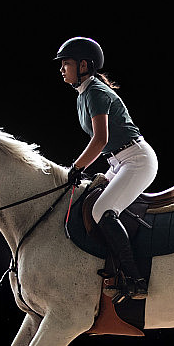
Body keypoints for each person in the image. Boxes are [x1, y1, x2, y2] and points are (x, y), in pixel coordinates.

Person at [55, 37, 158, 301]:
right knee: (90, 202)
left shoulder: (96, 92)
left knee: (102, 210)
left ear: (84, 65)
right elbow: (103, 145)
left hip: (137, 160)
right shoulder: (83, 94)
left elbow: (100, 139)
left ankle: (136, 279)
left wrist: (76, 167)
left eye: (66, 64)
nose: (62, 69)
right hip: (119, 161)